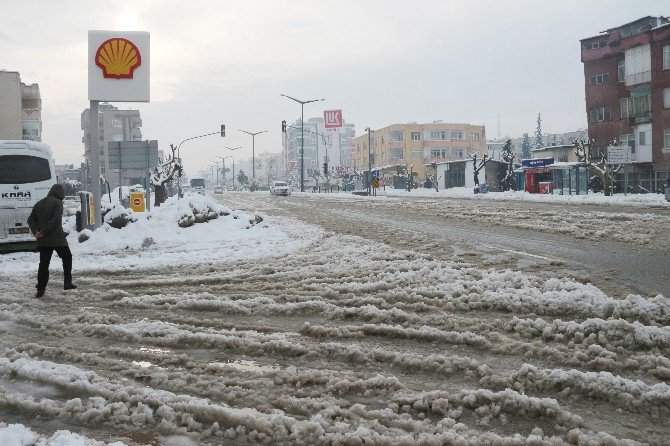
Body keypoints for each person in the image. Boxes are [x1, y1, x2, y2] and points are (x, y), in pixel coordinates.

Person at [27, 184, 77, 298]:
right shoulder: (57, 203)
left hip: (43, 240)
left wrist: (37, 232)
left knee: (44, 264)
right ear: (60, 193)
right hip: (57, 238)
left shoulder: (39, 203)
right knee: (67, 257)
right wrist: (44, 232)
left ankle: (40, 289)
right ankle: (67, 283)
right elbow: (56, 221)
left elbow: (30, 219)